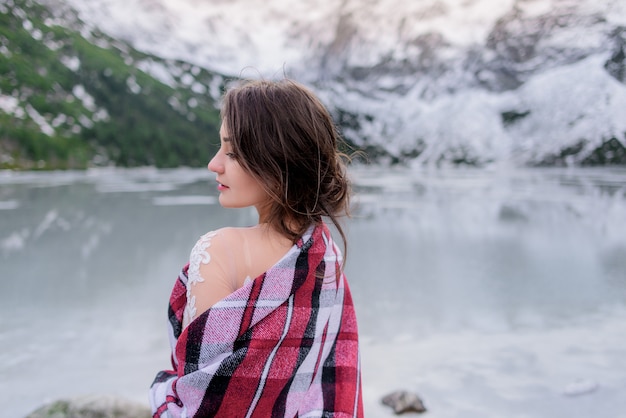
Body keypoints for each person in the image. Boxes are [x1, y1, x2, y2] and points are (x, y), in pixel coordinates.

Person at [149, 78, 363, 417]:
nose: (214, 163)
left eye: (231, 151)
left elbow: (200, 401)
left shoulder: (220, 250)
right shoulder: (325, 254)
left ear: (277, 160)